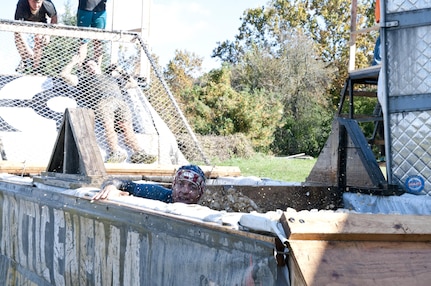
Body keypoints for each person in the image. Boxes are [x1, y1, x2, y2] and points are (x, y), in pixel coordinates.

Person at [60, 54, 157, 164]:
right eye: (87, 67)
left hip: (120, 102)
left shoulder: (112, 78)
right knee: (108, 126)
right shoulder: (84, 80)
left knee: (127, 127)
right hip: (103, 102)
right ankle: (114, 151)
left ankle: (139, 152)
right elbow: (64, 74)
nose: (90, 67)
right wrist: (72, 62)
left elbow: (133, 84)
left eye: (92, 64)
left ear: (98, 65)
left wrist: (120, 70)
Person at [92, 165, 207, 204]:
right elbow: (121, 182)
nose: (185, 191)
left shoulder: (204, 212)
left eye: (192, 187)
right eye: (180, 184)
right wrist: (111, 186)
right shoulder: (157, 194)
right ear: (173, 186)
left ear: (200, 194)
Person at [14, 0, 58, 72]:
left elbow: (54, 18)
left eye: (39, 3)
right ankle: (24, 60)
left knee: (39, 38)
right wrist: (27, 49)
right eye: (34, 2)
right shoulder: (21, 3)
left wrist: (48, 35)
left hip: (40, 22)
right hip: (25, 22)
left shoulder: (48, 4)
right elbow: (18, 29)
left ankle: (36, 68)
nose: (36, 6)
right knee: (17, 35)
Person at [76, 0, 108, 66]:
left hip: (100, 9)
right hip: (85, 8)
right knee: (83, 41)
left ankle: (97, 68)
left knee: (99, 41)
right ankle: (80, 67)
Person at [372, 0, 381, 66]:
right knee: (382, 39)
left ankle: (377, 61)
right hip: (381, 16)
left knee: (382, 39)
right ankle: (377, 61)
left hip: (383, 16)